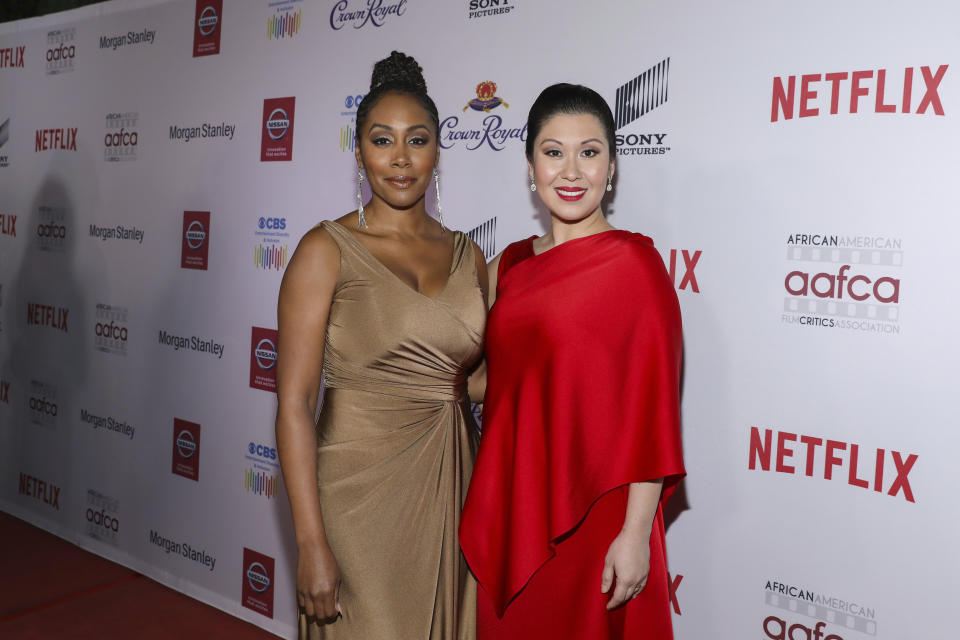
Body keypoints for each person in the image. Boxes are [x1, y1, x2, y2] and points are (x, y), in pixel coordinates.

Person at [459, 83, 686, 639]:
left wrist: (635, 535)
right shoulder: (507, 265)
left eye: (589, 152)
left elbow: (652, 410)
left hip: (601, 514)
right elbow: (488, 381)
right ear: (530, 165)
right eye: (553, 151)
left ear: (611, 168)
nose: (571, 171)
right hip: (516, 501)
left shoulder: (636, 266)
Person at [275, 51, 487, 640]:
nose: (400, 158)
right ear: (360, 150)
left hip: (451, 484)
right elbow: (294, 404)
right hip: (354, 498)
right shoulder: (325, 250)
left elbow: (477, 380)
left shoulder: (473, 258)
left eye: (416, 140)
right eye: (381, 140)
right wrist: (310, 541)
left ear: (438, 150)